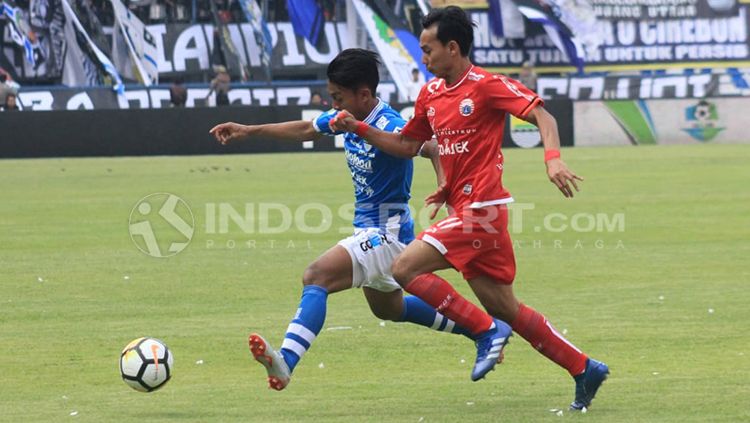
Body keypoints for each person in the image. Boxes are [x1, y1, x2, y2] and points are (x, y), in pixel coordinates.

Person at [331, 6, 608, 411]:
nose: (423, 58)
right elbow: (408, 146)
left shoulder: (485, 85)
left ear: (453, 47)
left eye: (428, 49)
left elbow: (541, 115)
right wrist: (360, 129)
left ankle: (484, 332)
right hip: (466, 209)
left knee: (405, 267)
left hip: (484, 210)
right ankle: (584, 368)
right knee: (505, 306)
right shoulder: (429, 94)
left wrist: (552, 158)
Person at [209, 48, 511, 391]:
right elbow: (309, 128)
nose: (334, 105)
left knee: (317, 275)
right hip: (372, 230)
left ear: (364, 95)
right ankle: (483, 328)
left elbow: (431, 146)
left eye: (338, 98)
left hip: (387, 232)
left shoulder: (389, 123)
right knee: (390, 309)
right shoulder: (344, 118)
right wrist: (249, 130)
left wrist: (446, 187)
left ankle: (286, 362)